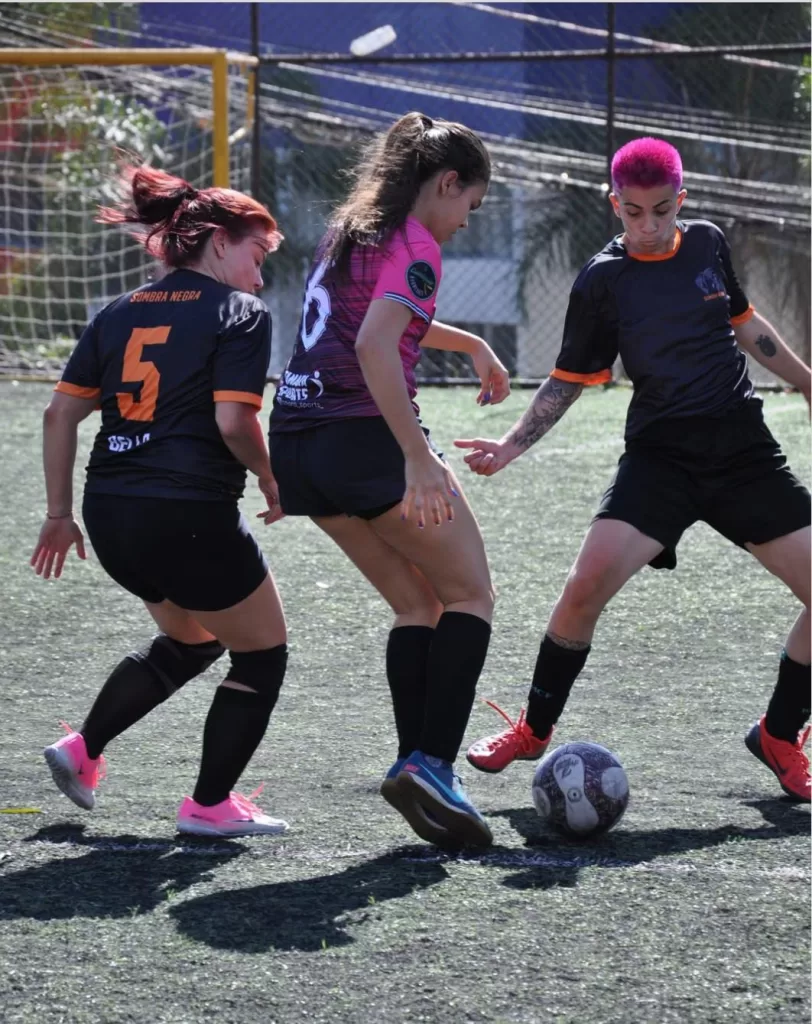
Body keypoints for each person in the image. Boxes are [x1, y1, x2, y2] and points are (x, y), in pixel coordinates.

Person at [457, 137, 811, 802]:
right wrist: (510, 446)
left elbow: (743, 320)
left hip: (742, 453)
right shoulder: (602, 279)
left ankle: (780, 734)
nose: (648, 226)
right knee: (583, 587)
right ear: (612, 203)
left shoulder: (706, 244)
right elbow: (567, 379)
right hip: (661, 459)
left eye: (661, 210)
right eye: (634, 213)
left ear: (683, 199)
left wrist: (806, 379)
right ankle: (534, 728)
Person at [268, 112, 509, 848]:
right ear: (445, 183)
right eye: (470, 203)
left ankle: (415, 765)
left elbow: (373, 319)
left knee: (417, 603)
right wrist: (417, 456)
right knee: (470, 594)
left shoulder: (353, 232)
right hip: (363, 439)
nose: (467, 220)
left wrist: (470, 341)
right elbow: (377, 344)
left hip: (298, 442)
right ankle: (433, 761)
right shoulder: (418, 246)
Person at [31, 166, 294, 835]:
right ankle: (209, 807)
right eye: (256, 257)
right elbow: (235, 424)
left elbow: (59, 416)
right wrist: (271, 478)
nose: (260, 278)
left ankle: (82, 748)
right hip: (187, 515)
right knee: (262, 655)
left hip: (110, 512)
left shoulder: (117, 312)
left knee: (192, 639)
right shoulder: (240, 314)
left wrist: (59, 515)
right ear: (216, 241)